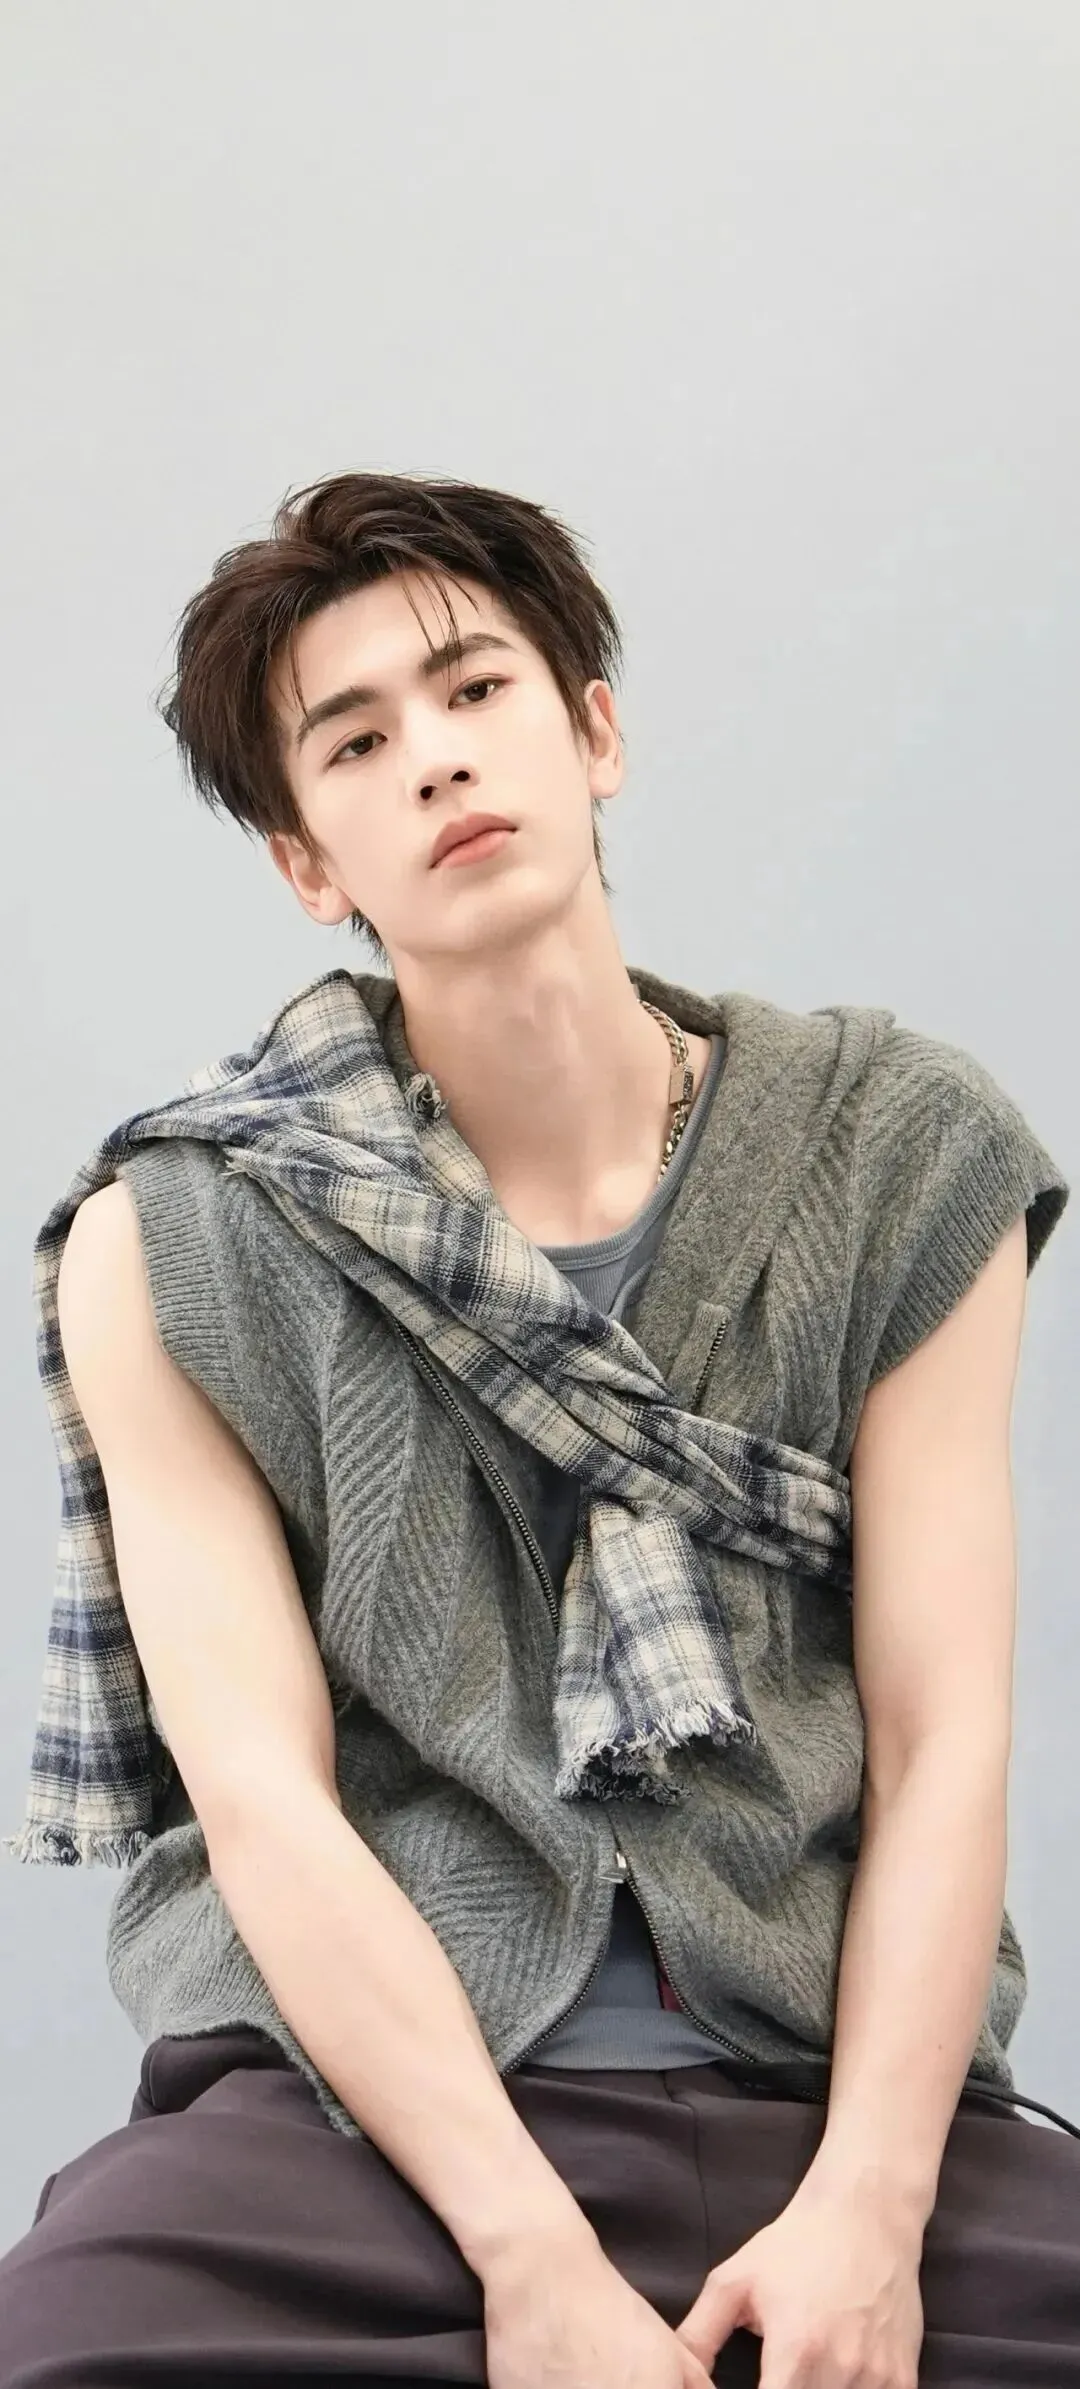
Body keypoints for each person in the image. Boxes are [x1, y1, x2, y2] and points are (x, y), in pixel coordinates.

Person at [1, 470, 1075, 2389]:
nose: (435, 757)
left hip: (827, 2088)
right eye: (355, 741)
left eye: (476, 689)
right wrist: (535, 2263)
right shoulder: (173, 1241)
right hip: (360, 2121)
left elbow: (942, 1736)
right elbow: (262, 1800)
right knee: (72, 2348)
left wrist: (871, 2211)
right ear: (308, 861)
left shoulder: (899, 1151)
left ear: (594, 734)